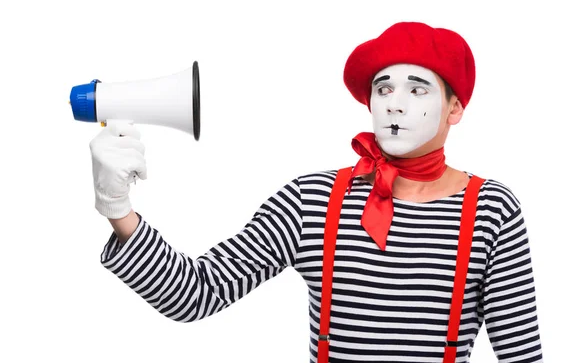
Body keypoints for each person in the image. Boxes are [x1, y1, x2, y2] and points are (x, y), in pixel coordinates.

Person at [90, 22, 543, 362]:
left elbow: (520, 355)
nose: (396, 103)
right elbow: (197, 294)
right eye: (383, 88)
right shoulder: (313, 199)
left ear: (455, 108)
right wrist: (119, 209)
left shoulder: (492, 209)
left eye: (417, 89)